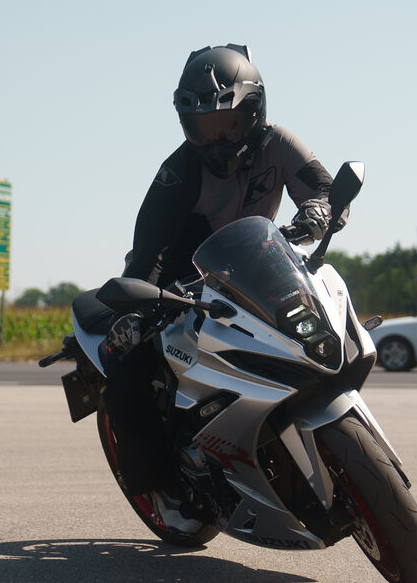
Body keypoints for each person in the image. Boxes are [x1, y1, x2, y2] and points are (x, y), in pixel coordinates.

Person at [102, 43, 338, 500]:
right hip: (182, 284)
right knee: (127, 363)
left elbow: (324, 189)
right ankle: (160, 487)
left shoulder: (279, 144)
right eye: (203, 128)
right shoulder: (178, 173)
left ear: (254, 111)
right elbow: (148, 252)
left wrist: (317, 211)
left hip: (259, 268)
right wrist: (141, 304)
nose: (216, 140)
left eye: (227, 124)